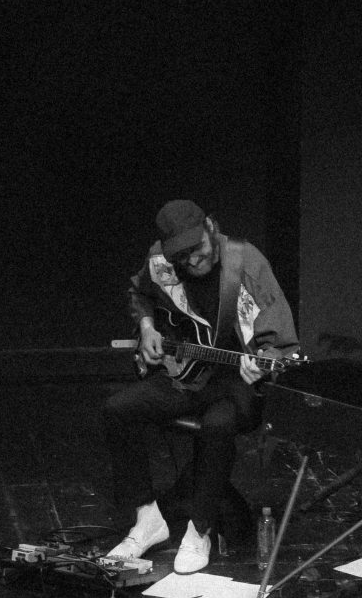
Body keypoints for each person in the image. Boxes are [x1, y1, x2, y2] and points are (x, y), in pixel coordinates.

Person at [101, 198, 298, 575]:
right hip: (186, 375)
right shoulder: (160, 260)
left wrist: (264, 361)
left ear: (211, 226)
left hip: (237, 381)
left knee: (218, 424)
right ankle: (147, 519)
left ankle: (200, 529)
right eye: (182, 256)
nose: (192, 261)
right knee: (117, 409)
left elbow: (282, 342)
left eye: (198, 250)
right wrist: (147, 328)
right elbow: (139, 293)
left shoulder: (246, 262)